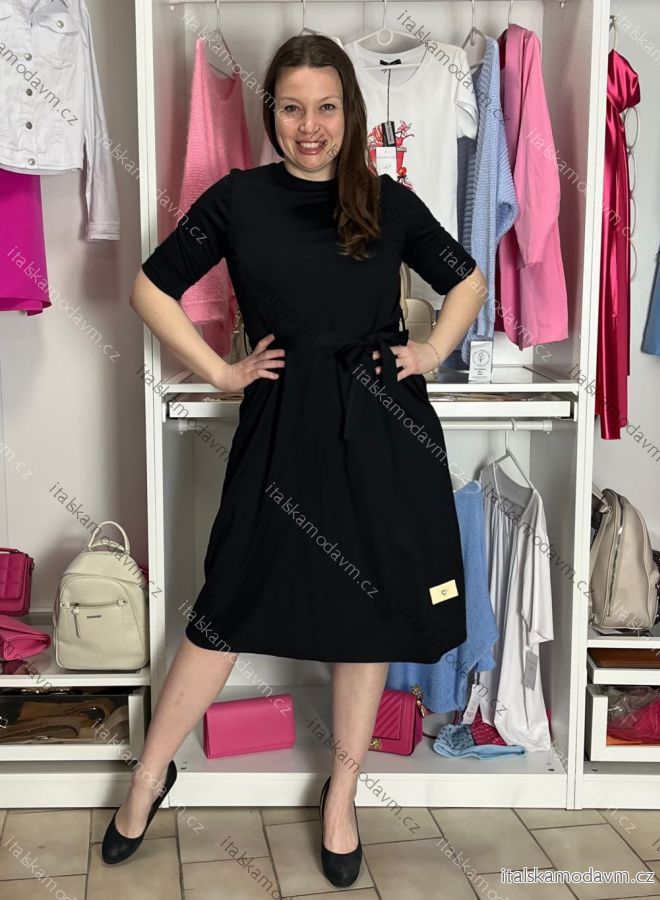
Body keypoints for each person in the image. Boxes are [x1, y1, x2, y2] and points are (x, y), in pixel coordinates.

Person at [102, 34, 486, 887]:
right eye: (291, 107)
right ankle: (149, 775)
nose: (309, 126)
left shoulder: (387, 200)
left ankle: (341, 797)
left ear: (350, 112)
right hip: (281, 425)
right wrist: (222, 372)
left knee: (369, 613)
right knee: (227, 603)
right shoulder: (238, 199)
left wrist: (431, 351)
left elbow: (466, 280)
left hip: (381, 427)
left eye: (326, 107)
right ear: (269, 112)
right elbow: (148, 289)